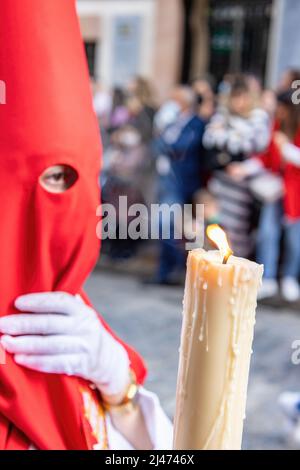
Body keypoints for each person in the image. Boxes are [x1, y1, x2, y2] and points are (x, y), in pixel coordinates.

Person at [0, 0, 172, 450]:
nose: (47, 198)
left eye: (62, 177)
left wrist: (118, 384)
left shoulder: (73, 324)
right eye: (26, 179)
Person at [229, 90, 300, 302]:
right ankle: (266, 279)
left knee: (295, 240)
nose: (277, 111)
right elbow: (266, 158)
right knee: (267, 233)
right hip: (276, 191)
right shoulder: (276, 126)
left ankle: (290, 277)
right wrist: (244, 168)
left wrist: (284, 147)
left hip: (295, 195)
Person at [203, 75, 271, 257]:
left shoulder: (259, 118)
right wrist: (233, 141)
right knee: (216, 224)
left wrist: (229, 141)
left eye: (244, 97)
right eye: (236, 97)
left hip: (241, 185)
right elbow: (210, 139)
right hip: (220, 183)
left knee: (237, 229)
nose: (239, 102)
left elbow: (260, 149)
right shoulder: (222, 116)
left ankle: (236, 269)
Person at [152, 86, 205, 285]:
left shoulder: (196, 123)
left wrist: (162, 138)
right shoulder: (171, 122)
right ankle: (167, 270)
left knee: (165, 225)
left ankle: (171, 268)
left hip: (180, 183)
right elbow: (156, 146)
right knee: (166, 227)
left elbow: (181, 148)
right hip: (164, 180)